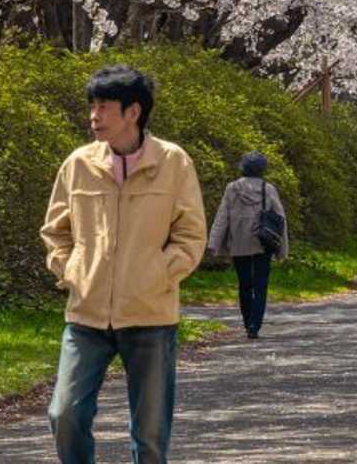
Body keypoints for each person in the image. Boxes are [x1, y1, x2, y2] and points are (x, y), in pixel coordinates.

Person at [40, 65, 206, 464]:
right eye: (91, 106)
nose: (93, 115)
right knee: (64, 414)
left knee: (149, 435)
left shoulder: (173, 162)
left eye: (104, 107)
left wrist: (160, 274)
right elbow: (55, 231)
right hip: (86, 315)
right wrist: (70, 270)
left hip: (150, 315)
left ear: (133, 112)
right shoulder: (78, 164)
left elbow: (190, 235)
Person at [206, 152, 289, 339]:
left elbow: (222, 217)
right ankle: (254, 325)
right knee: (261, 285)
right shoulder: (268, 189)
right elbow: (280, 218)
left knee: (244, 284)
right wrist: (283, 249)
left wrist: (213, 243)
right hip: (263, 241)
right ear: (262, 169)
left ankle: (247, 321)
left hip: (239, 242)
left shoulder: (232, 188)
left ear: (243, 167)